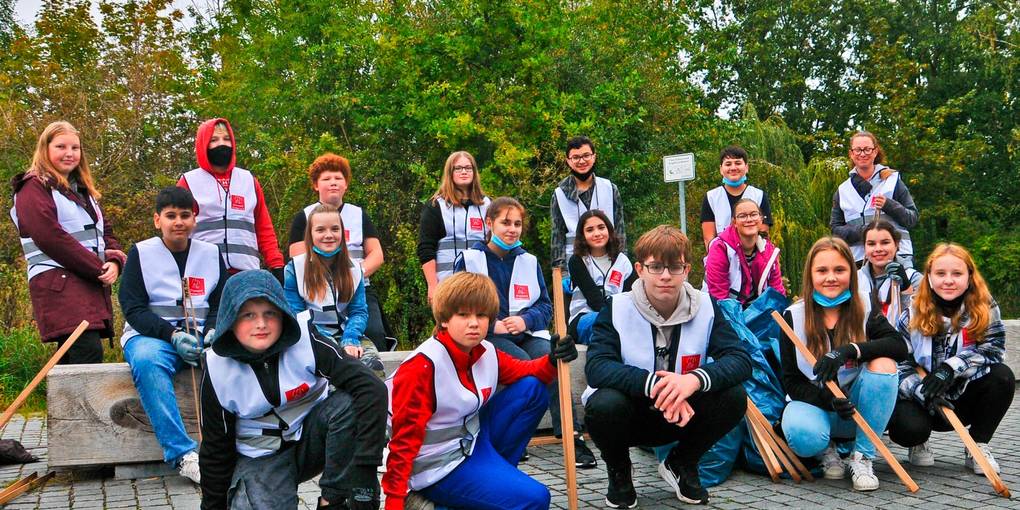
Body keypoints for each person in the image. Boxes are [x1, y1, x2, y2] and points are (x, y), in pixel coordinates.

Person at [583, 225, 752, 507]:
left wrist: (693, 380)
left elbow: (740, 359)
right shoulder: (617, 307)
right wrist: (657, 385)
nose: (665, 276)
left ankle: (682, 462)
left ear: (686, 271)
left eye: (674, 267)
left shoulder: (706, 306)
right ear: (640, 269)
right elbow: (597, 367)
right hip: (631, 416)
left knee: (734, 396)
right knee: (604, 404)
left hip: (682, 416)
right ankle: (619, 471)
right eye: (656, 267)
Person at [383, 272, 578, 510]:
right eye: (463, 315)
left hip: (472, 443)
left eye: (481, 315)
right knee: (535, 499)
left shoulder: (485, 351)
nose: (474, 323)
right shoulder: (422, 368)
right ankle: (450, 498)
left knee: (532, 389)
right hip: (437, 468)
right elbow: (403, 444)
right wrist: (394, 502)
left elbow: (530, 372)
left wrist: (553, 358)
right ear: (444, 320)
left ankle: (490, 491)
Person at [199, 270, 387, 510]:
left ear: (283, 313)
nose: (261, 324)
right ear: (230, 320)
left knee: (350, 402)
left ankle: (333, 500)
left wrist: (365, 472)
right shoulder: (217, 369)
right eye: (248, 315)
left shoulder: (308, 340)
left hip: (313, 440)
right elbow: (215, 451)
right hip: (260, 457)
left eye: (270, 313)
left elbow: (372, 388)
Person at [453, 197, 596, 468]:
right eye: (505, 223)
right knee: (524, 365)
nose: (512, 229)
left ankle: (571, 435)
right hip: (487, 337)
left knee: (554, 360)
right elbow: (457, 304)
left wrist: (525, 320)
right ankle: (514, 438)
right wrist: (489, 323)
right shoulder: (470, 260)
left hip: (527, 334)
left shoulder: (529, 261)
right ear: (489, 223)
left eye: (517, 224)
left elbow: (545, 306)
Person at [778, 237, 906, 492]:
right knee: (803, 435)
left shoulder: (865, 305)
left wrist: (850, 350)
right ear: (810, 275)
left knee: (884, 364)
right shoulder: (793, 316)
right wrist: (827, 400)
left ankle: (863, 456)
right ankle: (826, 450)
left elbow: (898, 346)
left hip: (857, 409)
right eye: (822, 271)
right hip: (819, 406)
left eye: (839, 270)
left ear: (852, 272)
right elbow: (791, 381)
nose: (831, 278)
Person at [118, 186, 227, 484]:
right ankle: (183, 454)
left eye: (185, 215)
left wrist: (213, 330)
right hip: (153, 338)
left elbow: (220, 301)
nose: (178, 222)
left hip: (202, 337)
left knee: (235, 358)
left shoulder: (210, 254)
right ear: (157, 220)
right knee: (147, 362)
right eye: (170, 216)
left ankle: (233, 446)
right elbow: (133, 307)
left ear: (194, 220)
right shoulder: (141, 253)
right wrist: (172, 335)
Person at [887, 243, 1013, 474]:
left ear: (969, 277)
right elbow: (899, 363)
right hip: (923, 399)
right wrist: (923, 394)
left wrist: (950, 368)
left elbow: (994, 349)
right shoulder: (912, 312)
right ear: (929, 277)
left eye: (957, 274)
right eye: (940, 274)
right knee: (908, 429)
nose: (948, 281)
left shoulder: (984, 306)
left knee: (1002, 376)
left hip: (962, 395)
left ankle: (977, 445)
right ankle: (919, 442)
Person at [10, 120, 126, 364]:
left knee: (72, 356)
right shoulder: (32, 187)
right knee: (86, 351)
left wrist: (115, 261)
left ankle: (61, 392)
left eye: (75, 147)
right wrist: (97, 268)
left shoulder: (83, 191)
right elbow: (50, 237)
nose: (69, 153)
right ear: (45, 149)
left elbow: (106, 232)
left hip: (85, 283)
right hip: (58, 282)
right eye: (61, 147)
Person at [287, 153, 388, 351]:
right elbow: (297, 257)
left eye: (338, 178)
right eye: (326, 178)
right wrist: (328, 282)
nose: (333, 182)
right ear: (316, 185)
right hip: (316, 290)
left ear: (346, 184)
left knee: (375, 332)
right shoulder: (304, 216)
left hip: (355, 288)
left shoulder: (359, 214)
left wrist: (351, 276)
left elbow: (376, 254)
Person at [177, 118, 285, 280]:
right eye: (214, 140)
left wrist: (276, 264)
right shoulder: (188, 182)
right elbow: (177, 229)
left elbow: (264, 228)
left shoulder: (249, 180)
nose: (222, 144)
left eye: (226, 139)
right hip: (203, 272)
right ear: (203, 144)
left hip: (247, 272)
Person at [284, 203, 384, 374]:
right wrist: (325, 340)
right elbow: (295, 313)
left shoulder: (355, 269)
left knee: (374, 368)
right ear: (310, 234)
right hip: (311, 335)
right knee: (334, 370)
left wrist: (350, 339)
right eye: (320, 230)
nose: (329, 235)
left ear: (342, 233)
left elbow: (359, 312)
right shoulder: (294, 269)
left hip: (347, 334)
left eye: (335, 229)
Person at [830, 131, 919, 267]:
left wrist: (889, 205)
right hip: (858, 260)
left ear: (875, 152)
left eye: (867, 149)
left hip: (897, 257)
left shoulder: (893, 181)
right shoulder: (842, 190)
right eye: (858, 150)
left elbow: (912, 218)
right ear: (851, 154)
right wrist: (863, 232)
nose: (862, 154)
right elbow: (835, 229)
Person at [417, 150, 491, 302]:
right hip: (447, 285)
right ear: (450, 172)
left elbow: (497, 245)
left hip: (482, 285)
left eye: (468, 168)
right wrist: (432, 285)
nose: (464, 172)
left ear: (474, 172)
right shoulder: (436, 206)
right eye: (458, 168)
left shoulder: (488, 205)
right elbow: (426, 249)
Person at [550, 136, 625, 271]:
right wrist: (560, 271)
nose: (582, 161)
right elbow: (557, 237)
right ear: (568, 161)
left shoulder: (610, 188)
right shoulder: (560, 194)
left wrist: (622, 264)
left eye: (586, 155)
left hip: (609, 263)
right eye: (576, 157)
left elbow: (620, 231)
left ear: (594, 157)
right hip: (575, 265)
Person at [566, 210, 636, 345]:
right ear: (583, 235)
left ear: (609, 230)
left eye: (601, 227)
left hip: (617, 319)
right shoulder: (577, 261)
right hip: (584, 318)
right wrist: (616, 319)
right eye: (590, 230)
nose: (597, 233)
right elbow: (595, 300)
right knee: (599, 323)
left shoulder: (623, 262)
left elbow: (630, 297)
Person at [703, 199, 785, 306]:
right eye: (742, 216)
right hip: (721, 309)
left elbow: (777, 292)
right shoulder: (720, 248)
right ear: (734, 222)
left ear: (761, 219)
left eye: (754, 214)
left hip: (757, 311)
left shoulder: (769, 251)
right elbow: (719, 297)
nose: (749, 219)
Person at [700, 145, 773, 249]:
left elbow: (763, 234)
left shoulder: (759, 195)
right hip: (721, 255)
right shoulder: (711, 197)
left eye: (738, 163)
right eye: (728, 164)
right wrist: (718, 257)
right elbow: (709, 239)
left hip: (753, 256)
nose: (733, 168)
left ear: (746, 167)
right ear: (721, 169)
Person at [858, 219, 921, 318]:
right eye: (871, 244)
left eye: (885, 243)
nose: (878, 249)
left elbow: (920, 320)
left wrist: (906, 288)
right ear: (864, 248)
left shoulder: (915, 278)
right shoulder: (855, 280)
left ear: (896, 245)